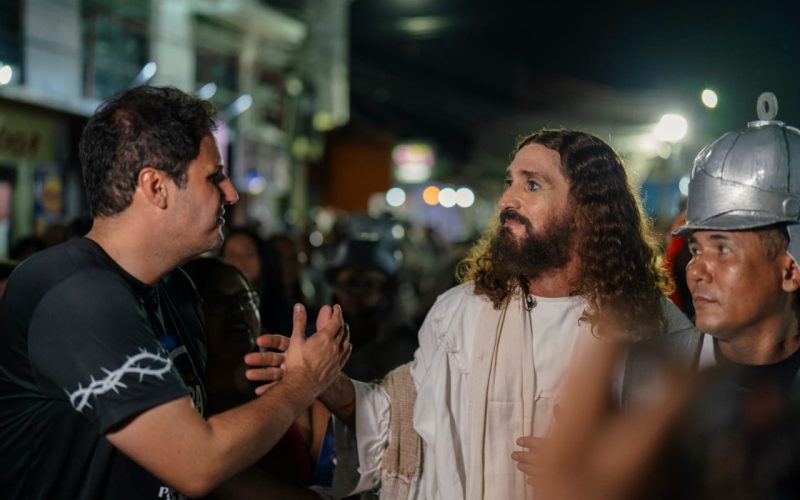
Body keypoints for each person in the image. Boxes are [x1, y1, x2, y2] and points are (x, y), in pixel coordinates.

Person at [248, 129, 700, 499]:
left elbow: (693, 460)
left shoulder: (654, 330)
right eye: (510, 181)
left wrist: (603, 471)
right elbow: (401, 424)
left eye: (532, 184)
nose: (508, 199)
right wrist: (326, 381)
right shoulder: (460, 312)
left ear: (588, 212)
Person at [0, 85, 350, 500]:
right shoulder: (72, 294)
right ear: (155, 187)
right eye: (214, 177)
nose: (231, 194)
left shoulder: (176, 291)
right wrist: (302, 385)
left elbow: (199, 467)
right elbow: (196, 464)